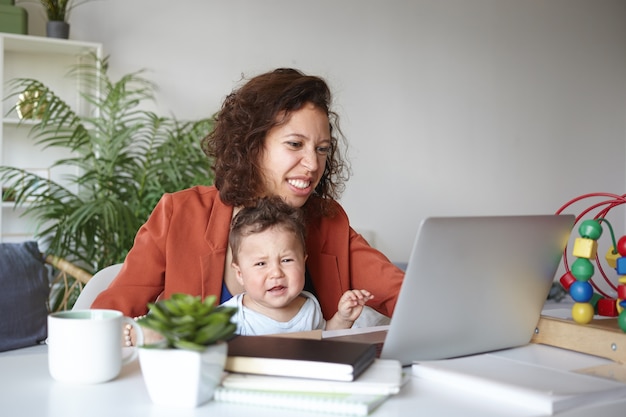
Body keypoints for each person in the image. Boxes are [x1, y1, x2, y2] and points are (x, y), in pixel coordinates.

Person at [91, 67, 404, 343]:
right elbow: (105, 319)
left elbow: (401, 294)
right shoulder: (180, 213)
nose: (312, 163)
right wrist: (137, 334)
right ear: (251, 145)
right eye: (295, 144)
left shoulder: (327, 220)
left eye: (322, 149)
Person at [223, 196, 373, 334]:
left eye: (286, 260)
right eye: (261, 263)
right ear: (240, 274)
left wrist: (343, 318)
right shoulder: (230, 318)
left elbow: (323, 337)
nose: (276, 273)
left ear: (303, 262)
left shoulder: (309, 307)